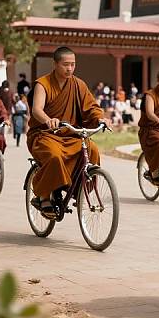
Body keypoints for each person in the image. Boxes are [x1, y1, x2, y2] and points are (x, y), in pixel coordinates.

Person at [27, 47, 111, 218]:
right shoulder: (43, 84)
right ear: (55, 64)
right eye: (66, 65)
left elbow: (91, 108)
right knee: (55, 156)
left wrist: (100, 119)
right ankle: (43, 196)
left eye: (73, 65)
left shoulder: (78, 84)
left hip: (72, 135)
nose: (70, 69)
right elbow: (37, 109)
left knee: (92, 149)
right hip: (46, 134)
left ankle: (79, 189)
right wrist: (47, 120)